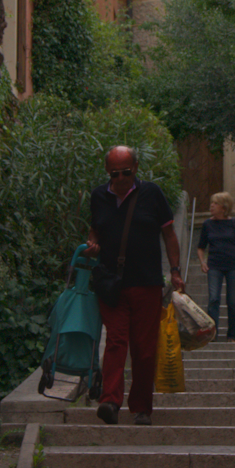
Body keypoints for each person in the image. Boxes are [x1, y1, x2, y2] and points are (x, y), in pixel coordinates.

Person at [86, 146, 184, 425]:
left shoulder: (152, 193)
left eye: (126, 172)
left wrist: (175, 271)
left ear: (136, 168)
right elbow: (96, 229)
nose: (120, 179)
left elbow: (169, 234)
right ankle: (110, 402)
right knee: (116, 341)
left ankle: (141, 406)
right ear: (108, 172)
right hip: (111, 284)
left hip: (146, 283)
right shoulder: (98, 196)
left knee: (143, 347)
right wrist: (92, 244)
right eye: (114, 173)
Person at [197, 192, 235, 341]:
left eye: (215, 203)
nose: (211, 206)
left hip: (234, 266)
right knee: (214, 299)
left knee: (232, 300)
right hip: (214, 265)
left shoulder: (234, 223)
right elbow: (201, 247)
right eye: (211, 203)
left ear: (223, 207)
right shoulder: (208, 224)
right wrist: (202, 261)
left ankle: (232, 335)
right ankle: (213, 334)